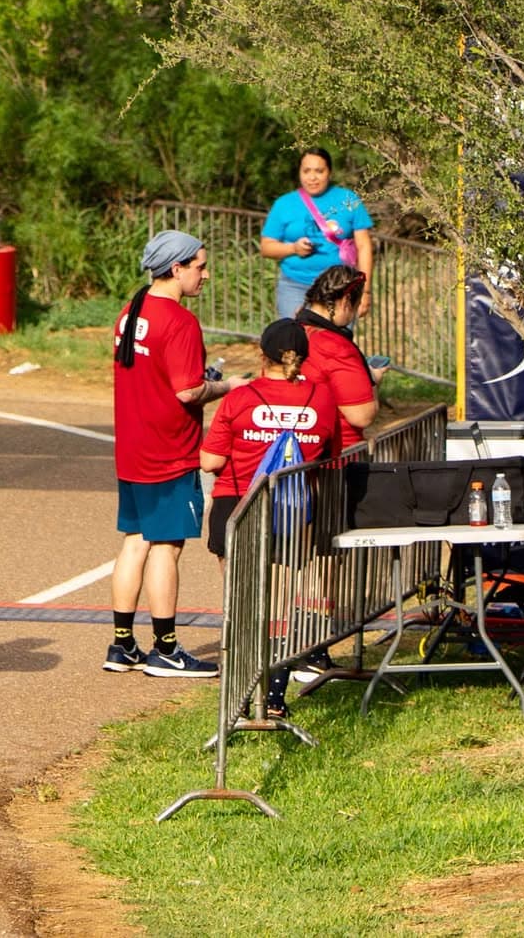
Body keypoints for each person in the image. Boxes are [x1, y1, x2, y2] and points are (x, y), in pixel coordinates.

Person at [108, 230, 236, 679]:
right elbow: (187, 390)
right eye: (200, 266)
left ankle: (122, 643)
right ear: (176, 268)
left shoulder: (132, 310)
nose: (206, 274)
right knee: (167, 545)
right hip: (168, 449)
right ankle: (165, 648)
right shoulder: (180, 321)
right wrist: (226, 386)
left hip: (132, 444)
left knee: (135, 540)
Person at [200, 319, 340, 717]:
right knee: (278, 606)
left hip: (237, 503)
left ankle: (242, 696)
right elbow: (330, 456)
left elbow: (210, 461)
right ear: (303, 359)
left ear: (263, 355)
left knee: (242, 603)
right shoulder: (322, 398)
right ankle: (274, 698)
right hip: (290, 509)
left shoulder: (241, 398)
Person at [260, 149, 374, 320]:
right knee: (296, 335)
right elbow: (266, 247)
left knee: (334, 336)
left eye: (319, 171)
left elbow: (364, 246)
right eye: (306, 171)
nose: (312, 177)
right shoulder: (284, 204)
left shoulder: (349, 200)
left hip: (340, 288)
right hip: (295, 286)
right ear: (299, 173)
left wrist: (365, 291)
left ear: (330, 172)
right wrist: (293, 249)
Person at [295, 265, 383, 456]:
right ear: (345, 302)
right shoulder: (337, 347)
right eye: (356, 306)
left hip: (292, 450)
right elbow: (361, 416)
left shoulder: (287, 334)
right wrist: (373, 380)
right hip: (336, 454)